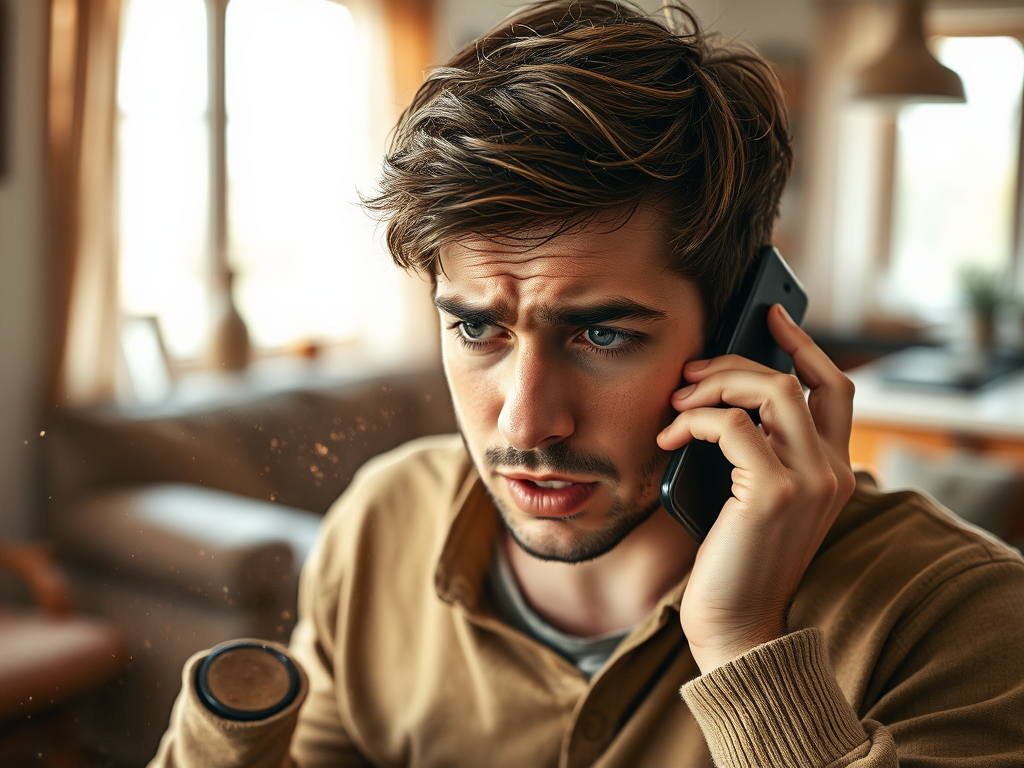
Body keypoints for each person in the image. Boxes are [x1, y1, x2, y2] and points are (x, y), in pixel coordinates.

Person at [149, 1, 1024, 765]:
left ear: (744, 334)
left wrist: (742, 645)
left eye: (603, 333)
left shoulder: (964, 619)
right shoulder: (384, 521)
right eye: (476, 326)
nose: (527, 421)